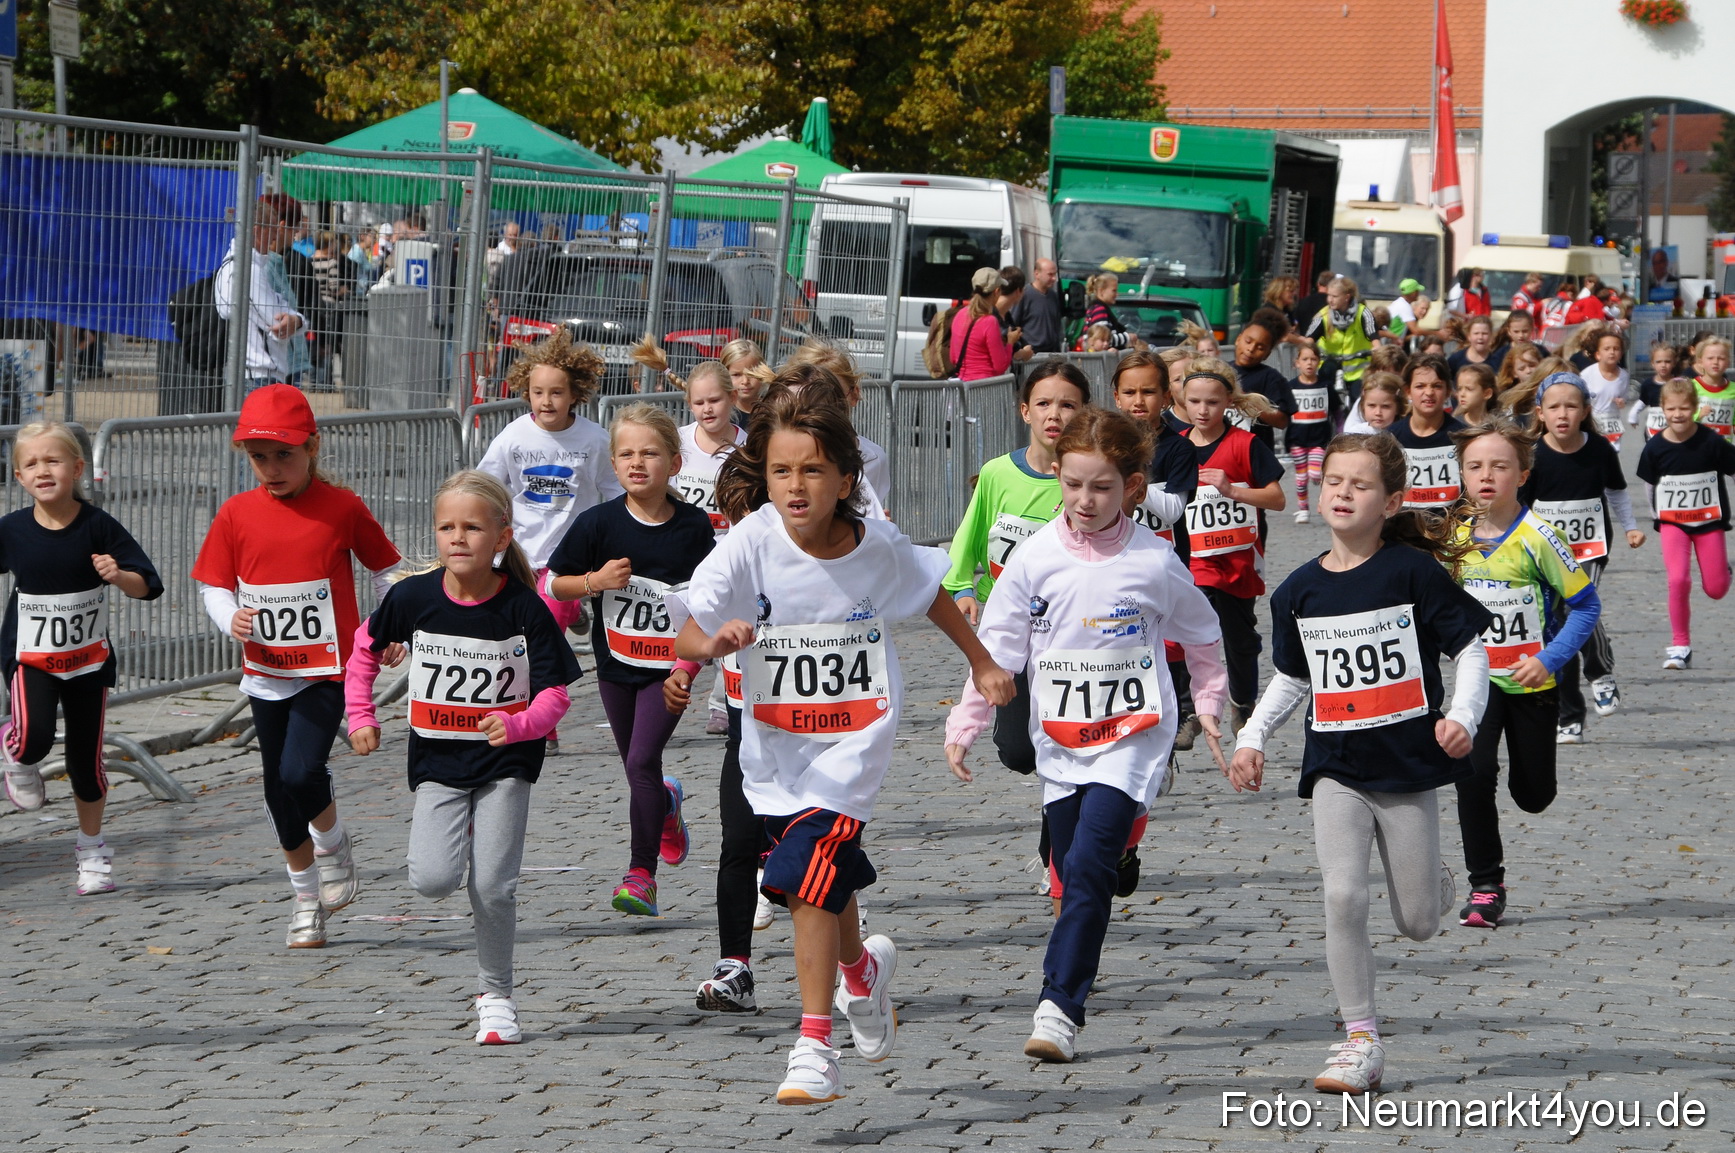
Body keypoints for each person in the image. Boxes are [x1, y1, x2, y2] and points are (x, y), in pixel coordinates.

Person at [668, 378, 1013, 1105]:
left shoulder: (875, 543)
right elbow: (691, 622)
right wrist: (710, 643)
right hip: (774, 746)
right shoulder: (750, 543)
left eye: (813, 470)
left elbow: (929, 594)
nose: (796, 486)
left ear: (846, 478)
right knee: (819, 876)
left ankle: (813, 1043)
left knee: (800, 875)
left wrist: (980, 661)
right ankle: (860, 971)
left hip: (853, 741)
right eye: (782, 470)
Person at [944, 407, 1228, 1064]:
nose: (1084, 500)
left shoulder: (1154, 561)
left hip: (1131, 737)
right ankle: (1107, 881)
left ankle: (1058, 1005)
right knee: (1073, 872)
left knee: (1089, 866)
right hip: (1062, 740)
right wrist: (966, 722)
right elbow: (997, 649)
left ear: (1131, 486)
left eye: (1100, 487)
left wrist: (1209, 704)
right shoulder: (1035, 558)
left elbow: (1204, 634)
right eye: (1073, 485)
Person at [1229, 431, 1492, 1095]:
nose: (1342, 491)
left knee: (1418, 922)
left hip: (1406, 765)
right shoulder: (1296, 590)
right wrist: (1252, 736)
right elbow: (1291, 677)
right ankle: (1359, 1038)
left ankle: (1431, 877)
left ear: (1391, 499)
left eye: (1360, 483)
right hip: (1335, 764)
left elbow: (1470, 651)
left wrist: (1460, 717)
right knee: (1342, 894)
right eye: (1334, 480)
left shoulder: (1412, 573)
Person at [345, 470, 581, 1045]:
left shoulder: (526, 608)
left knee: (494, 886)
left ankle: (495, 995)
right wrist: (362, 716)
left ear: (501, 537)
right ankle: (462, 831)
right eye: (447, 527)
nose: (457, 538)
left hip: (506, 763)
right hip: (438, 762)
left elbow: (556, 694)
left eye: (472, 527)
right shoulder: (412, 596)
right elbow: (363, 650)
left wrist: (520, 723)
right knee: (432, 880)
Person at [191, 385, 402, 948]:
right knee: (276, 788)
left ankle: (332, 845)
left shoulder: (343, 506)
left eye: (284, 454)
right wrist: (230, 616)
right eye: (259, 457)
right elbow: (213, 582)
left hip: (328, 668)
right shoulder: (236, 513)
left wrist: (390, 627)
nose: (271, 468)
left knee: (299, 772)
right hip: (266, 673)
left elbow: (388, 572)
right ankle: (306, 899)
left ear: (312, 446)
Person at [547, 406, 715, 917]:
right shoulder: (596, 524)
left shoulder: (693, 529)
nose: (637, 462)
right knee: (636, 768)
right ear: (613, 463)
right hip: (616, 665)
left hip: (668, 670)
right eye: (626, 454)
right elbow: (555, 583)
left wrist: (686, 671)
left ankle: (641, 875)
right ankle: (663, 803)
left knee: (643, 760)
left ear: (675, 462)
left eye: (650, 452)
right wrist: (594, 582)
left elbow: (708, 608)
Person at [0, 423, 164, 896]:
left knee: (85, 762)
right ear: (18, 476)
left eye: (53, 461)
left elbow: (148, 584)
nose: (43, 470)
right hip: (30, 656)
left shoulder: (98, 526)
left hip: (88, 662)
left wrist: (118, 575)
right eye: (31, 463)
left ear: (77, 469)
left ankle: (92, 852)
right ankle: (19, 756)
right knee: (32, 737)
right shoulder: (11, 529)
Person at [1452, 417, 1600, 929]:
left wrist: (1548, 660)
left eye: (1500, 465)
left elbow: (1585, 608)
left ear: (1524, 473)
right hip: (1478, 682)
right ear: (1463, 475)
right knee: (1473, 775)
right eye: (1475, 466)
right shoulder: (1453, 536)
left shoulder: (1541, 537)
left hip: (1533, 681)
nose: (1486, 474)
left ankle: (1532, 786)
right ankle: (1485, 886)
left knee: (1533, 795)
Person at [476, 329, 620, 742]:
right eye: (537, 392)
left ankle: (544, 724)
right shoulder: (515, 436)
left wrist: (607, 539)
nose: (546, 402)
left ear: (574, 394)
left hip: (569, 555)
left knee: (543, 634)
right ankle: (574, 610)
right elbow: (488, 483)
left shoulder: (594, 440)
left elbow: (614, 493)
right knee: (515, 636)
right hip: (520, 553)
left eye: (556, 393)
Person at [1523, 373, 1643, 743]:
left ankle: (1600, 672)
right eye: (1554, 407)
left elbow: (1618, 492)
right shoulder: (1532, 454)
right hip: (1545, 551)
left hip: (1590, 548)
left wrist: (1631, 527)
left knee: (1578, 609)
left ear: (1586, 411)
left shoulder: (1599, 449)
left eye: (1571, 406)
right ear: (1540, 413)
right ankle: (1569, 715)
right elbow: (1521, 507)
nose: (1563, 414)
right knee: (1556, 623)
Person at [1182, 358, 1286, 728]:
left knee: (1239, 638)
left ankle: (1242, 701)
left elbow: (1277, 498)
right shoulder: (1175, 446)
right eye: (1194, 401)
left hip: (1239, 558)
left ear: (1228, 401)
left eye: (1211, 401)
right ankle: (1193, 707)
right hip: (1194, 560)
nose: (1202, 409)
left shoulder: (1246, 444)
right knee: (1192, 632)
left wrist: (1233, 491)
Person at [1636, 378, 1735, 671]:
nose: (1677, 414)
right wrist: (1656, 516)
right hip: (1673, 523)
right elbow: (1649, 486)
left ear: (1695, 408)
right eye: (1671, 408)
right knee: (1678, 579)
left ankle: (1724, 570)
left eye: (1684, 408)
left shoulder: (1711, 441)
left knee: (1716, 589)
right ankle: (1680, 645)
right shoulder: (1655, 447)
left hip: (1708, 522)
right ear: (1662, 409)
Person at [670, 361, 746, 735]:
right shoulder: (678, 443)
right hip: (685, 550)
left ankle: (721, 701)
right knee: (688, 624)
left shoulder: (748, 448)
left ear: (732, 398)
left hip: (729, 553)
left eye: (715, 400)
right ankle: (672, 685)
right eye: (698, 403)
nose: (707, 409)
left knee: (724, 623)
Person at [214, 193, 307, 391]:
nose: (275, 237)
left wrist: (296, 320)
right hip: (260, 376)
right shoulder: (248, 270)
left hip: (255, 374)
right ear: (257, 231)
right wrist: (296, 320)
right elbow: (276, 322)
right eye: (272, 231)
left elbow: (282, 307)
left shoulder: (239, 265)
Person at [1389, 354, 1466, 510]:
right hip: (1402, 529)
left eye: (1437, 386)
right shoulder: (1391, 438)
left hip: (1452, 528)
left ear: (1447, 391)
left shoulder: (1463, 437)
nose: (1429, 392)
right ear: (1408, 391)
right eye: (1420, 386)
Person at [1304, 276, 1379, 405]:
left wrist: (1377, 348)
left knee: (1359, 401)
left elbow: (1374, 336)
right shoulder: (1323, 315)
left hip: (1358, 371)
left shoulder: (1363, 313)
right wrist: (1308, 350)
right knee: (1325, 396)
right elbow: (1309, 339)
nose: (1330, 300)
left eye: (1335, 296)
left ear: (1347, 297)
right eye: (1329, 296)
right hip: (1330, 365)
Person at [1229, 309, 1294, 449]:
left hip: (1255, 451)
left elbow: (1282, 421)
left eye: (1260, 347)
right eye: (1248, 341)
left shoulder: (1272, 378)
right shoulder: (1222, 370)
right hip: (1223, 448)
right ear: (1238, 339)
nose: (1251, 349)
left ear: (1267, 354)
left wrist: (1247, 402)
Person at [1287, 344, 1332, 521]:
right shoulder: (1290, 387)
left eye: (1313, 359)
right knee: (1301, 477)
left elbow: (1336, 410)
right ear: (1297, 363)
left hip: (1318, 440)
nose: (1309, 363)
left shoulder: (1325, 385)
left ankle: (1320, 495)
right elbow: (1284, 410)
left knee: (1314, 474)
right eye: (1305, 359)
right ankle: (1303, 509)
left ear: (1319, 362)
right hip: (1297, 439)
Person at [951, 268, 1017, 381]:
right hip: (983, 388)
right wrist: (1010, 342)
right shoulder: (989, 321)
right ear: (996, 292)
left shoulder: (960, 314)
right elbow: (1000, 366)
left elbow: (953, 357)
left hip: (961, 385)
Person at [1577, 327, 1630, 448]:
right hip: (1593, 421)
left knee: (1612, 453)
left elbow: (1624, 397)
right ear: (1598, 355)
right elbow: (1579, 398)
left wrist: (1621, 402)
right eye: (1607, 349)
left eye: (1616, 349)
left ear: (1621, 354)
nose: (1612, 352)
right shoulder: (1587, 374)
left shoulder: (1624, 376)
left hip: (1613, 421)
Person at [1010, 257, 1063, 355]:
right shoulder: (1024, 295)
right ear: (1037, 274)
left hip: (1051, 354)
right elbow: (1013, 324)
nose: (1054, 278)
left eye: (1055, 274)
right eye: (1050, 274)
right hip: (1031, 355)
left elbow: (1057, 326)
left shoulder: (1053, 296)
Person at [1081, 274, 1142, 351]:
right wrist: (1128, 337)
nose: (1117, 294)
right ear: (1101, 291)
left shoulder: (1095, 308)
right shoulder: (1099, 310)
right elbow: (1102, 339)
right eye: (1114, 290)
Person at [1689, 336, 1734, 442]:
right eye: (1710, 358)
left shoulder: (1733, 390)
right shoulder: (1690, 387)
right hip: (1697, 447)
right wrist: (1698, 415)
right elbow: (1681, 415)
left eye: (1721, 358)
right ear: (1700, 362)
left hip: (1724, 449)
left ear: (1728, 362)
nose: (1715, 362)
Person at [1633, 341, 1682, 435]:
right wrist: (1633, 414)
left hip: (1673, 428)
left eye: (1667, 361)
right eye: (1658, 362)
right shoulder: (1648, 384)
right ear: (1652, 364)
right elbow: (1643, 401)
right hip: (1653, 428)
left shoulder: (1679, 383)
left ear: (1674, 363)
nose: (1663, 365)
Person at [721, 338, 767, 428]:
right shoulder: (722, 416)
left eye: (751, 374)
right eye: (737, 375)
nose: (745, 381)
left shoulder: (775, 412)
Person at [1454, 363, 1498, 427]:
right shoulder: (1454, 426)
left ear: (1487, 394)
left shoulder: (1497, 426)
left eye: (1469, 389)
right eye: (1459, 389)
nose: (1462, 394)